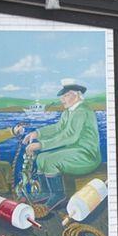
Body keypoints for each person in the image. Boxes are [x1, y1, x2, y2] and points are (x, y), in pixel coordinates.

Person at [22, 78, 101, 208]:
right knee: (41, 158)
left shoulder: (82, 111)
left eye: (65, 95)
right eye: (62, 96)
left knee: (51, 160)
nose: (61, 99)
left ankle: (58, 195)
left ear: (76, 95)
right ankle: (46, 192)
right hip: (75, 151)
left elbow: (70, 136)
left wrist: (41, 144)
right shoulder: (68, 112)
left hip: (87, 155)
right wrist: (37, 133)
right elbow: (58, 128)